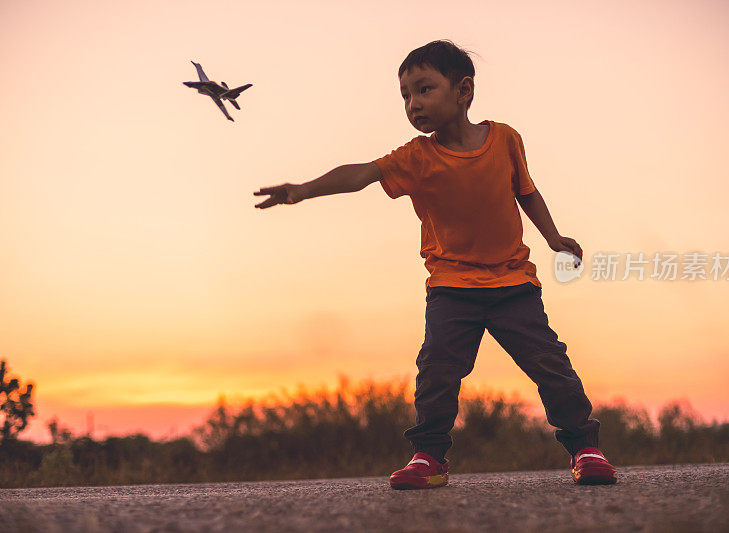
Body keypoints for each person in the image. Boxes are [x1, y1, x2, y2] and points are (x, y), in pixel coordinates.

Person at [253, 39, 617, 488]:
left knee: (551, 365)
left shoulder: (504, 139)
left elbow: (526, 191)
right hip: (451, 287)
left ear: (464, 90)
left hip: (513, 283)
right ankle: (428, 458)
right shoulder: (416, 157)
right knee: (438, 372)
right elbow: (362, 174)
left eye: (424, 90)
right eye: (405, 94)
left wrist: (554, 238)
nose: (412, 103)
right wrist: (303, 189)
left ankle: (586, 448)